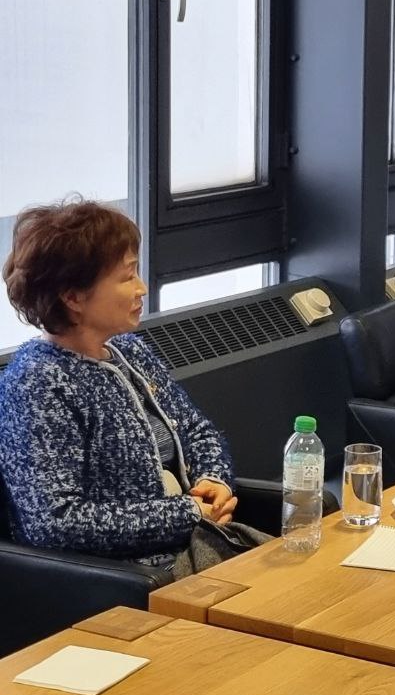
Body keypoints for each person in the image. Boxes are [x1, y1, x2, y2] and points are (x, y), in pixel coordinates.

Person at [0, 199, 258, 575]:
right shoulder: (36, 384)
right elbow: (55, 523)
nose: (142, 288)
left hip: (202, 543)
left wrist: (212, 481)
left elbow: (197, 430)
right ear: (73, 297)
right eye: (127, 277)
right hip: (132, 575)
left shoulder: (129, 350)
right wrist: (188, 514)